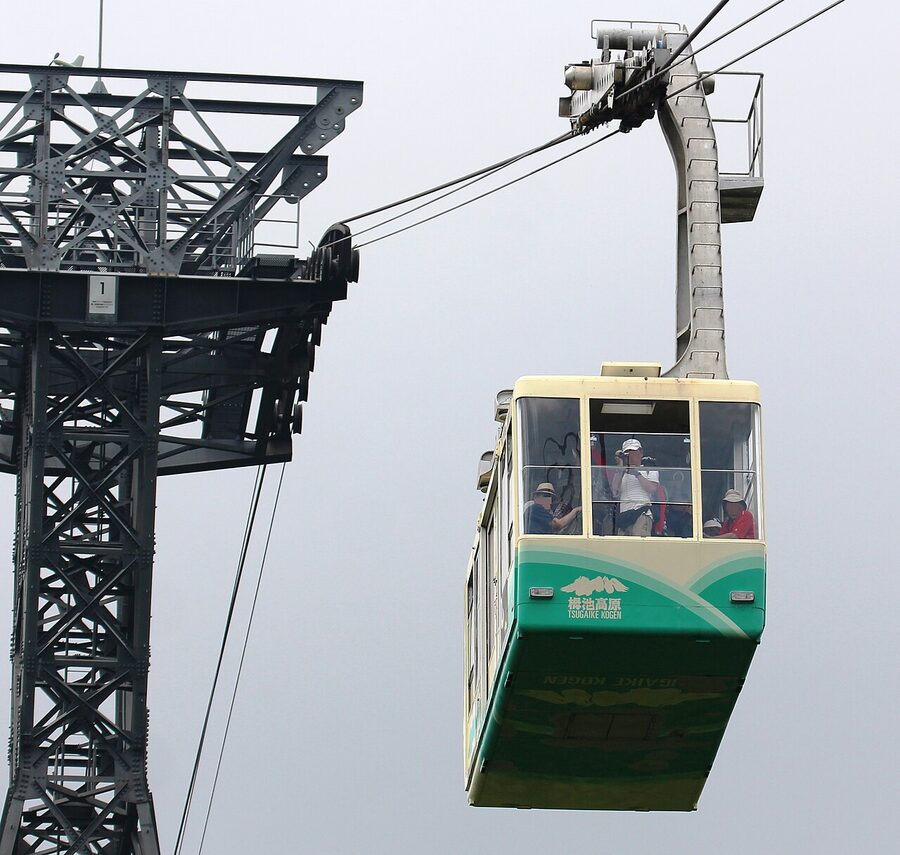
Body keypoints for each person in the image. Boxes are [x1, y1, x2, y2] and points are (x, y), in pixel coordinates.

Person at [609, 438, 659, 537]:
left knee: (639, 544)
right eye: (627, 453)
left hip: (641, 512)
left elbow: (652, 488)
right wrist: (620, 467)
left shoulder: (649, 469)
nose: (630, 455)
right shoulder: (621, 472)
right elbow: (615, 491)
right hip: (624, 515)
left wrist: (636, 473)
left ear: (641, 452)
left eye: (633, 452)